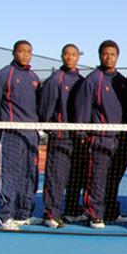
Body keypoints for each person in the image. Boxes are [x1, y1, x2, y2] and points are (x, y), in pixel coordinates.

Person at [0, 40, 40, 231]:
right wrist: (1, 125)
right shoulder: (5, 74)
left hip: (31, 135)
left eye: (28, 52)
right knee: (10, 174)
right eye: (21, 51)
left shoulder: (33, 77)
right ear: (14, 53)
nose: (25, 55)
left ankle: (23, 214)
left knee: (29, 175)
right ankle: (5, 216)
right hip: (11, 134)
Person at [74, 40, 127, 229]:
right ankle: (94, 214)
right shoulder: (93, 80)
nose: (109, 57)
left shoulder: (122, 81)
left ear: (117, 56)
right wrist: (83, 134)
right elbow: (82, 109)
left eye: (113, 54)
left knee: (114, 178)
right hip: (100, 138)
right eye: (105, 54)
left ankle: (111, 212)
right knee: (97, 179)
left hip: (121, 139)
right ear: (100, 55)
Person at [39, 43, 88, 228]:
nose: (70, 58)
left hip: (79, 139)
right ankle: (51, 213)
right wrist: (50, 127)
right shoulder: (55, 80)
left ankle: (72, 210)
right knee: (56, 178)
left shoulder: (83, 81)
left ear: (78, 58)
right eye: (67, 54)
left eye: (73, 55)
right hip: (60, 138)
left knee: (77, 176)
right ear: (62, 56)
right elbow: (45, 108)